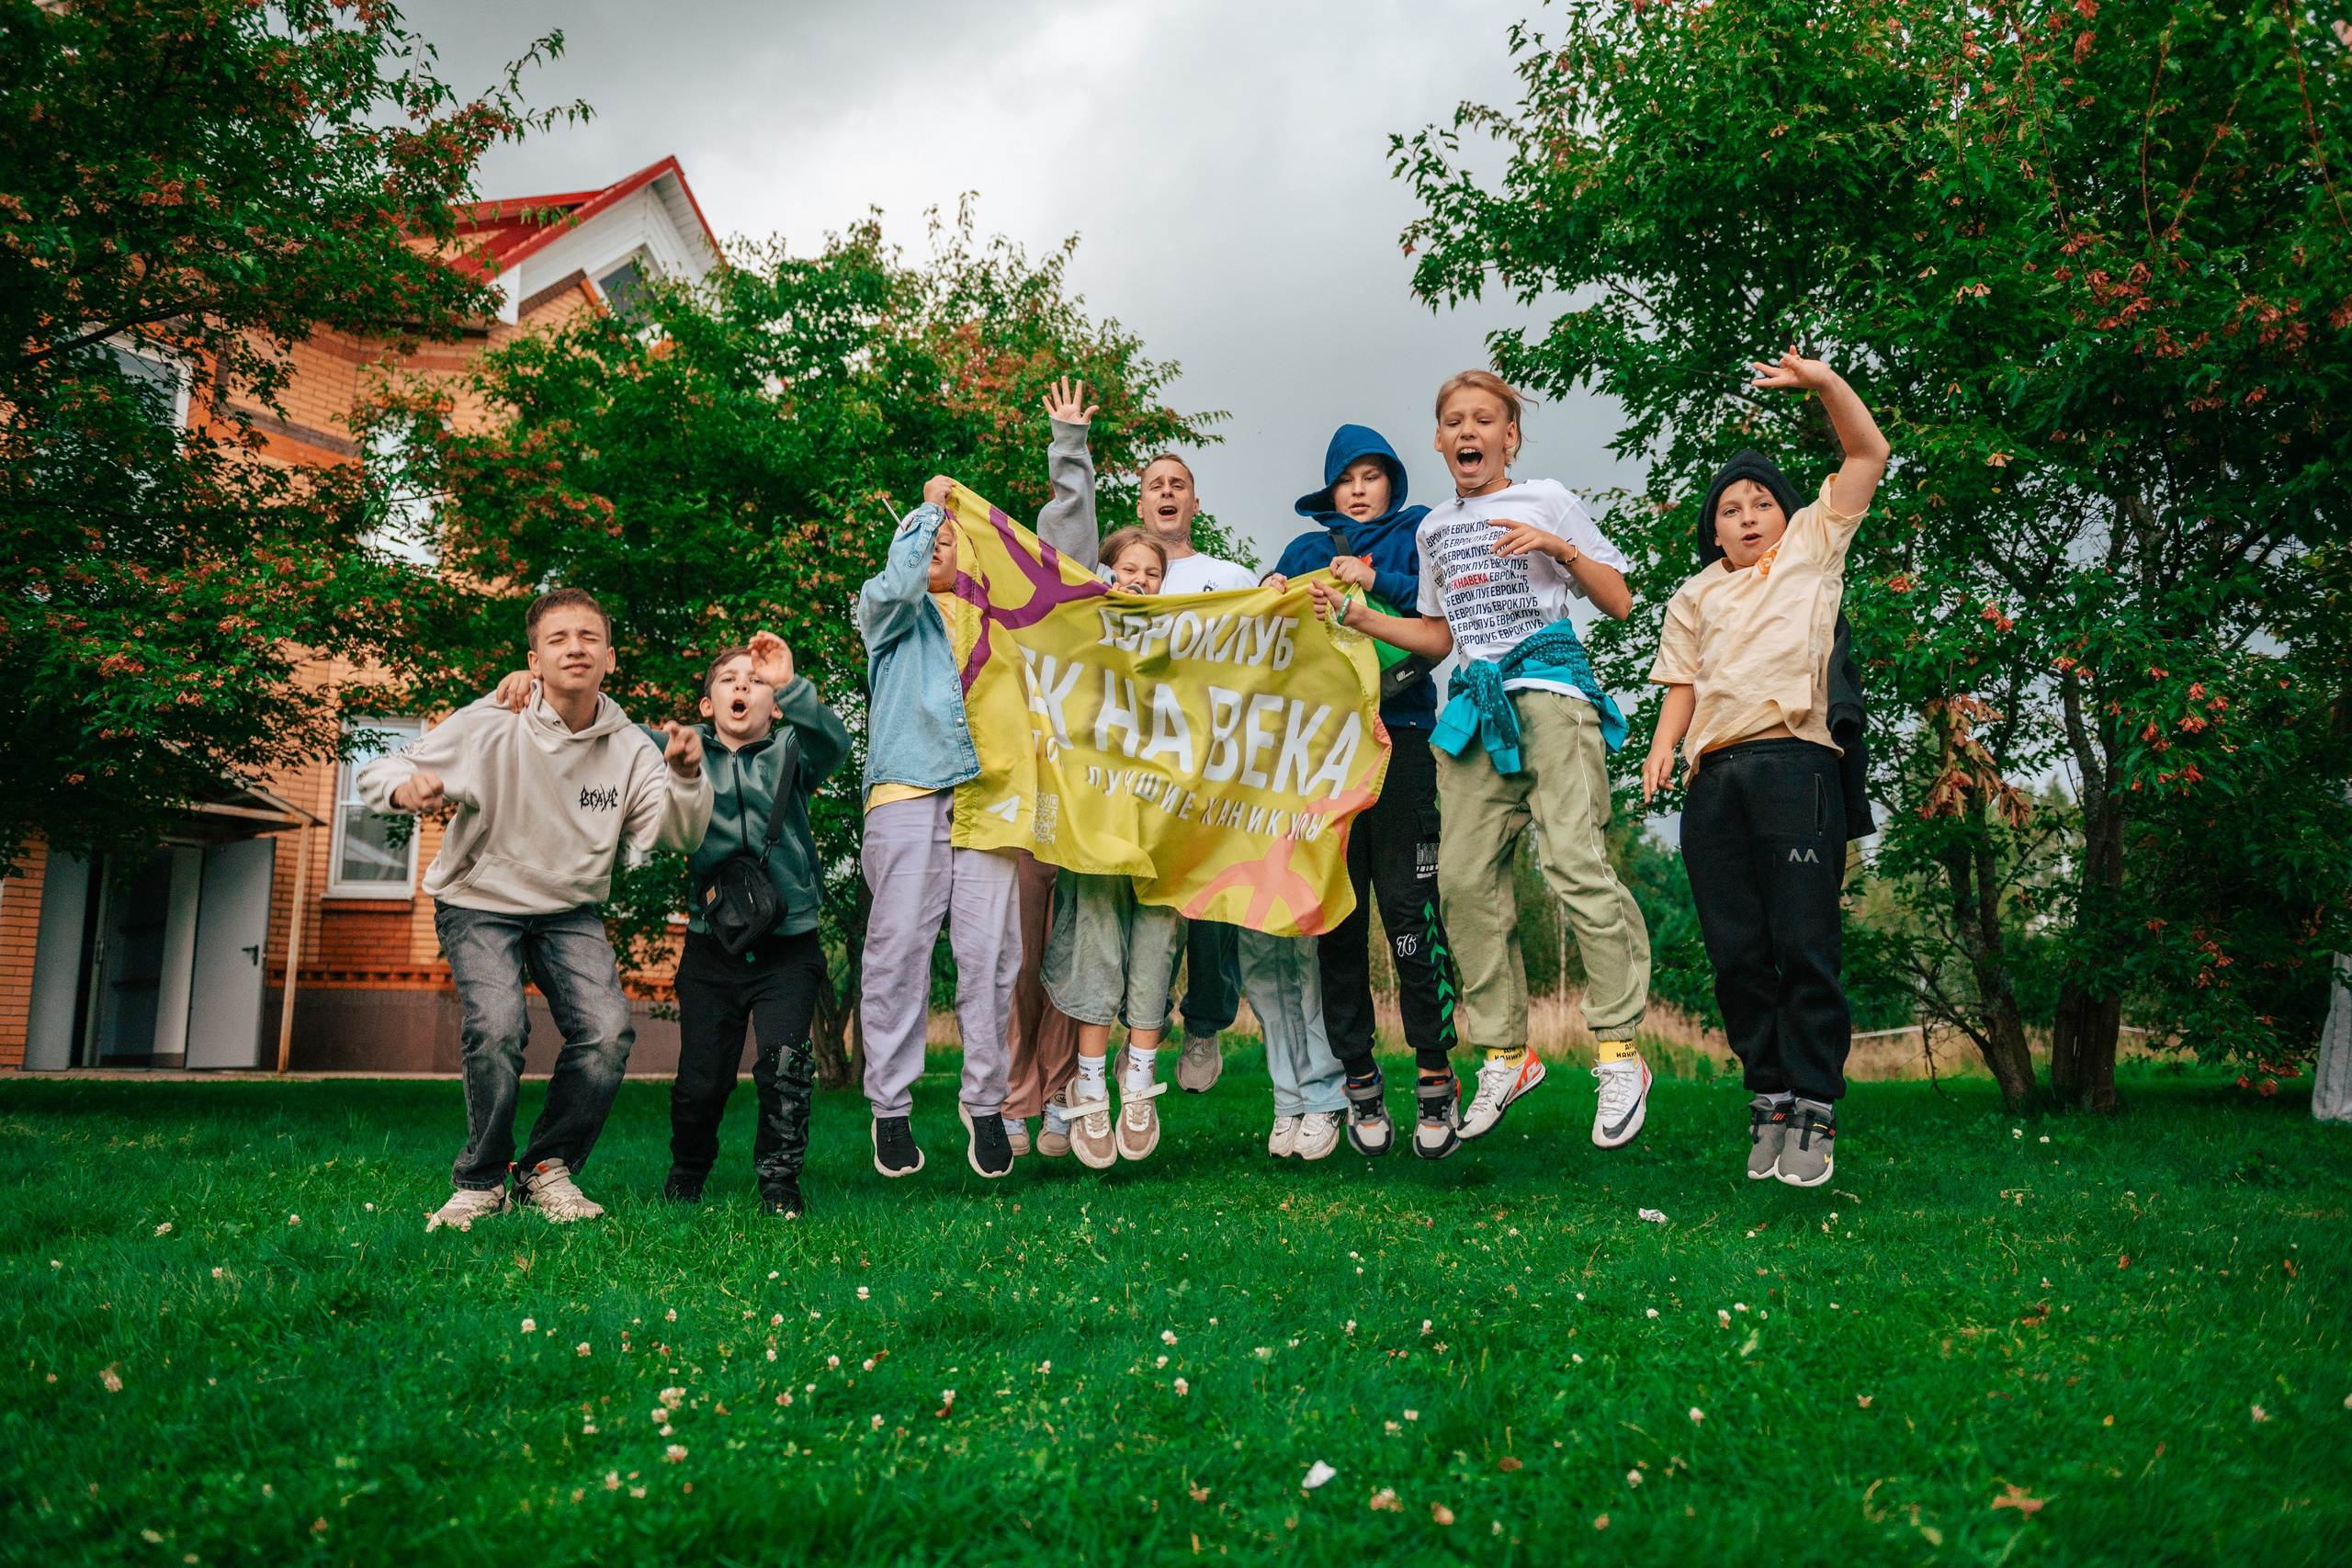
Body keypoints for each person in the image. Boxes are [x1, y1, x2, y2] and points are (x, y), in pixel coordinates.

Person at [1309, 370, 1653, 1159]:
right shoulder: (1432, 529)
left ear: (1510, 437)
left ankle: (1619, 1050)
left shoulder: (1545, 499)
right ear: (1439, 440)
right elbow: (1437, 634)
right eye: (1454, 421)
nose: (1468, 432)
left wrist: (1559, 548)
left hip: (1550, 695)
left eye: (1484, 420)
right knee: (1459, 881)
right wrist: (1362, 616)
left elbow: (1621, 600)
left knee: (1574, 863)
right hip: (1470, 710)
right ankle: (1506, 1050)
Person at [358, 588, 713, 1231]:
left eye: (588, 637)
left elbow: (678, 834)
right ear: (534, 659)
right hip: (478, 901)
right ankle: (481, 1179)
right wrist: (402, 787)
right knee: (497, 1027)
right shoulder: (494, 719)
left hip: (568, 908)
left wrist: (688, 776)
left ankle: (546, 1166)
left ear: (610, 658)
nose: (575, 647)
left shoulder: (633, 746)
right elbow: (377, 770)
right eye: (558, 639)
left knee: (607, 1033)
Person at [491, 632, 851, 1218]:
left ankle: (780, 1185)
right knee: (701, 1080)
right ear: (707, 705)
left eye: (755, 681)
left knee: (785, 1070)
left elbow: (833, 742)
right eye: (728, 680)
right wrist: (540, 688)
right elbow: (605, 727)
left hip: (790, 947)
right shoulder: (680, 747)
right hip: (715, 948)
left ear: (774, 704)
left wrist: (790, 680)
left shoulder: (793, 749)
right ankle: (686, 1176)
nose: (742, 686)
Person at [1640, 349, 1889, 1189]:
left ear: (1787, 515)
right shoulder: (1694, 593)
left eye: (1762, 504)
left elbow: (1867, 455)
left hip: (1796, 766)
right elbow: (1681, 683)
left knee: (1803, 942)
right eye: (1730, 509)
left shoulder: (1813, 552)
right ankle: (1771, 1095)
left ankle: (1816, 1104)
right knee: (1737, 950)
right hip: (1714, 781)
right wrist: (1662, 747)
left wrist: (1824, 386)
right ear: (1711, 529)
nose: (1748, 517)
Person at [1263, 425, 1454, 1157]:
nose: (1360, 488)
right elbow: (1262, 630)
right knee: (1337, 918)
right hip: (1326, 754)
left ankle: (1435, 1074)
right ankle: (1360, 1078)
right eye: (1348, 478)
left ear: (1393, 483)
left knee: (1409, 910)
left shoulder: (1418, 537)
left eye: (1373, 475)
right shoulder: (1307, 552)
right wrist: (1275, 594)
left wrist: (1377, 580)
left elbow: (1438, 619)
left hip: (1401, 737)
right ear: (1331, 490)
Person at [856, 475, 1022, 1181]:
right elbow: (898, 582)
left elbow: (1064, 577)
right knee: (898, 951)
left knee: (992, 955)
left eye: (952, 538)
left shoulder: (1003, 621)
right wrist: (929, 509)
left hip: (990, 796)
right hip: (907, 789)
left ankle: (985, 1100)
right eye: (926, 536)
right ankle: (890, 1107)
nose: (937, 544)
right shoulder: (888, 611)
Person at [1038, 528, 1187, 1168]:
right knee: (1097, 935)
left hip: (1161, 822)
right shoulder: (1082, 632)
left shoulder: (1185, 644)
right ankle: (1091, 1081)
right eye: (1127, 569)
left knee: (1158, 934)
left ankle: (1139, 1083)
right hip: (1097, 818)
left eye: (1150, 574)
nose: (1138, 580)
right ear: (1107, 572)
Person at [1126, 450, 1257, 1097]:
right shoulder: (1119, 572)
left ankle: (1203, 1023)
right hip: (1137, 767)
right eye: (1156, 485)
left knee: (1211, 904)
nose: (1168, 492)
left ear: (1194, 505)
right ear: (1141, 505)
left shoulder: (1227, 574)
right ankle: (1135, 1028)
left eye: (1179, 484)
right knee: (1136, 899)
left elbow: (1263, 647)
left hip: (1210, 767)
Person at [1003, 378, 1102, 1161]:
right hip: (1025, 800)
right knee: (1022, 952)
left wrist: (1071, 446)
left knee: (1078, 945)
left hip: (1094, 802)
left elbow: (1069, 541)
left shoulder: (1091, 614)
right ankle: (1013, 1094)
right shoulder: (1000, 615)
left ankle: (1064, 1091)